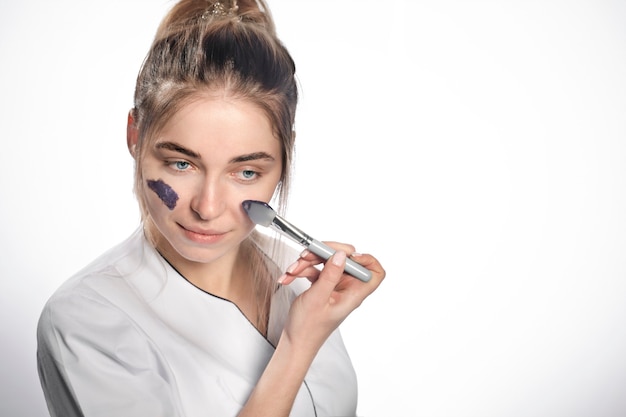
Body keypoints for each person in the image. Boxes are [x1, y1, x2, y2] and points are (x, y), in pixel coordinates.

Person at [36, 0, 385, 416]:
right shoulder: (90, 319)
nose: (208, 206)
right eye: (181, 164)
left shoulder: (300, 280)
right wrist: (297, 346)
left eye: (246, 172)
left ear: (285, 155)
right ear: (135, 135)